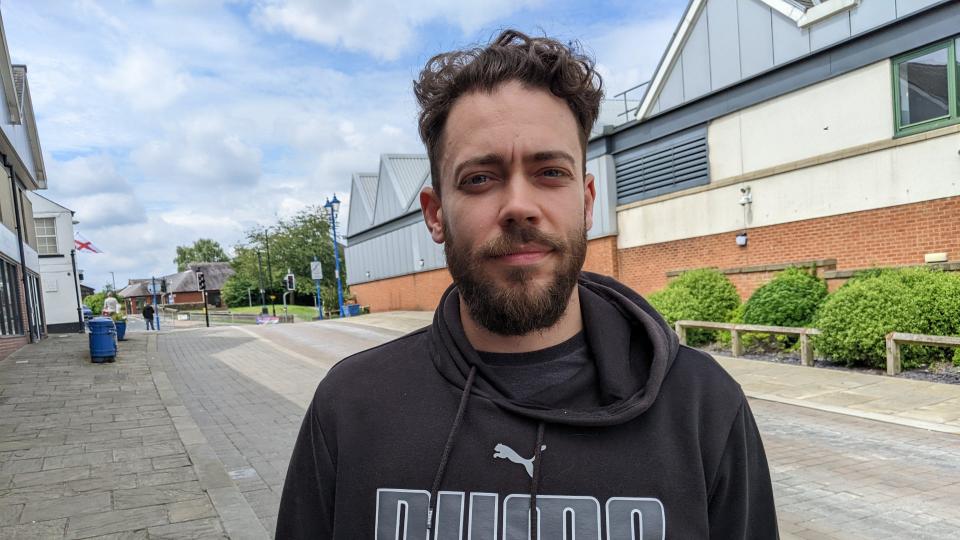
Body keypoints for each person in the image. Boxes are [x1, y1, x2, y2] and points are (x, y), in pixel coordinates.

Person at [277, 30, 778, 539]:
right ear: (435, 215)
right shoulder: (352, 406)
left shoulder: (702, 407)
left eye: (550, 172)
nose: (519, 205)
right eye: (479, 178)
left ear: (586, 202)